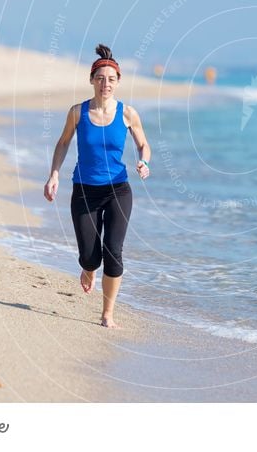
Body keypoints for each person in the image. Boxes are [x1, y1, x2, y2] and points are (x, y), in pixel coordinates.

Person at [43, 44, 151, 328]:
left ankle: (107, 314)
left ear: (118, 83)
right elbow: (63, 142)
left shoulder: (128, 113)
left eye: (111, 79)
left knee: (114, 252)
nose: (106, 84)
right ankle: (88, 269)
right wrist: (54, 174)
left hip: (118, 190)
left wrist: (144, 162)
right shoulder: (77, 112)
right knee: (90, 257)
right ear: (92, 80)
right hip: (85, 191)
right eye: (100, 78)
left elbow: (143, 144)